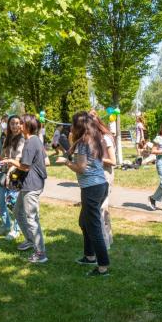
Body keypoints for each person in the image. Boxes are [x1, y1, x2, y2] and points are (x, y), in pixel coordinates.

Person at [57, 111, 109, 276]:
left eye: (72, 124)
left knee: (93, 227)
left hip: (92, 188)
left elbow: (81, 168)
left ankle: (103, 266)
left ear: (79, 126)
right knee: (84, 222)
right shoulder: (93, 139)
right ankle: (89, 256)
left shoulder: (83, 143)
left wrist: (66, 162)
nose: (70, 127)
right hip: (100, 186)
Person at [4, 114, 48, 263]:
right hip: (27, 184)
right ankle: (30, 240)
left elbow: (25, 166)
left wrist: (10, 161)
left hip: (32, 186)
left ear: (28, 126)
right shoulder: (35, 140)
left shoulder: (30, 142)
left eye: (21, 123)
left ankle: (40, 253)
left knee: (32, 219)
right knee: (17, 211)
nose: (19, 125)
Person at [0, 115, 25, 241]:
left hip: (16, 174)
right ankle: (6, 225)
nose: (15, 126)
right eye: (12, 123)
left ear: (21, 124)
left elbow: (18, 158)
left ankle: (16, 230)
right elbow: (2, 156)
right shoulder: (7, 138)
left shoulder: (22, 139)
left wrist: (9, 170)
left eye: (17, 123)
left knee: (14, 203)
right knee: (1, 201)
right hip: (4, 173)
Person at [91, 113, 116, 249]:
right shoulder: (94, 138)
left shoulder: (105, 138)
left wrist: (96, 158)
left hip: (106, 174)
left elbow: (113, 161)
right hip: (98, 174)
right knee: (102, 209)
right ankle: (108, 239)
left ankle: (103, 244)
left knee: (101, 209)